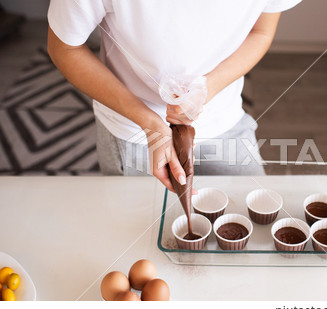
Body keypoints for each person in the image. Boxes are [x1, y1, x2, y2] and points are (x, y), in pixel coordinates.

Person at [47, 0, 301, 192]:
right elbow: (65, 48)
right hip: (134, 131)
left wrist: (208, 88)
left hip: (226, 118)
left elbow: (261, 32)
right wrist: (149, 123)